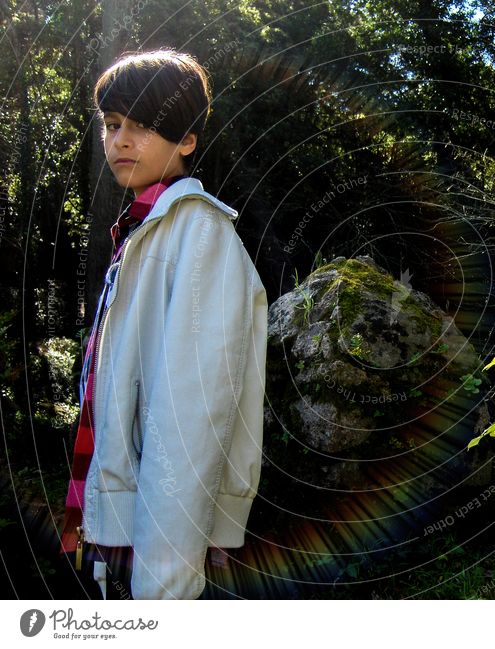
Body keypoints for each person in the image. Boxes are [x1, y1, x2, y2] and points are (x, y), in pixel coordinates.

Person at [59, 49, 267, 600]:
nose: (120, 140)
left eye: (143, 125)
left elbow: (192, 421)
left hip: (163, 540)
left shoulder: (201, 237)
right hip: (128, 530)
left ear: (187, 140)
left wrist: (162, 586)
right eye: (111, 125)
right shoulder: (144, 232)